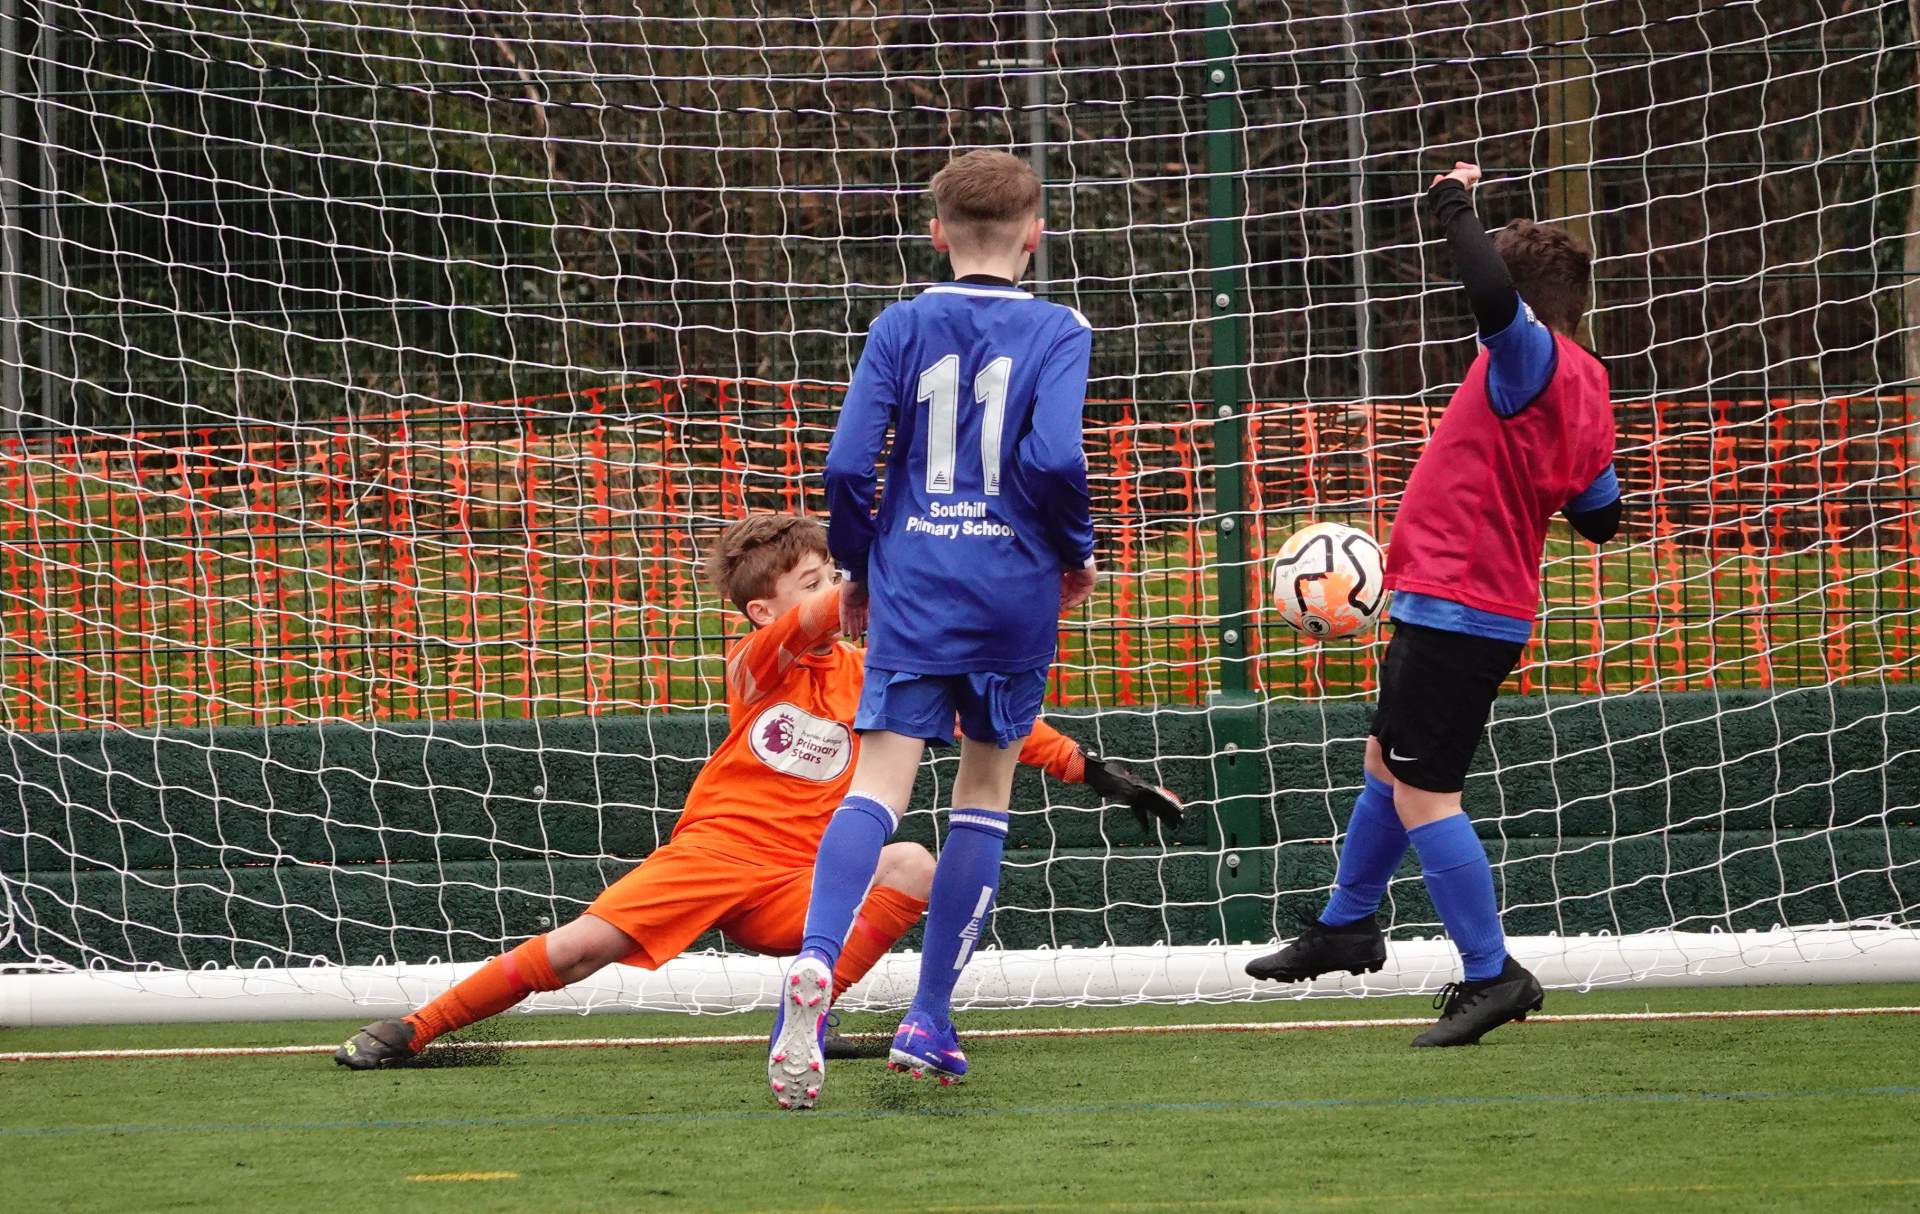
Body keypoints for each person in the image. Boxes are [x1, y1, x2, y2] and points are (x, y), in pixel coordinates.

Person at [334, 513, 1174, 1072]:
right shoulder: (758, 664)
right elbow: (814, 620)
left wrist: (1095, 772)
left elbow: (993, 726)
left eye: (831, 575)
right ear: (762, 612)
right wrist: (889, 578)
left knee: (914, 863)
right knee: (576, 951)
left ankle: (805, 1022)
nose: (830, 591)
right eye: (811, 581)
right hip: (711, 857)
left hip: (802, 884)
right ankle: (418, 1028)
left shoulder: (873, 671)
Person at [770, 149, 1181, 1108]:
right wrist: (1075, 551)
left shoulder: (898, 325)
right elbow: (1056, 456)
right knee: (983, 794)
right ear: (1035, 235)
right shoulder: (1061, 328)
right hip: (1012, 586)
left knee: (877, 788)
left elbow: (846, 467)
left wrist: (861, 565)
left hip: (914, 579)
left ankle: (817, 960)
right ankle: (929, 1018)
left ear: (935, 234)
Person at [1246, 162, 1621, 1047]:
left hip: (1460, 606)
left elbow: (1488, 292)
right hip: (1468, 608)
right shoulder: (1590, 384)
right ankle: (1346, 924)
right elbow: (1601, 517)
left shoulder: (1528, 355)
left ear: (1526, 309)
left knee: (1424, 794)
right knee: (1388, 761)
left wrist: (1451, 199)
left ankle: (1493, 975)